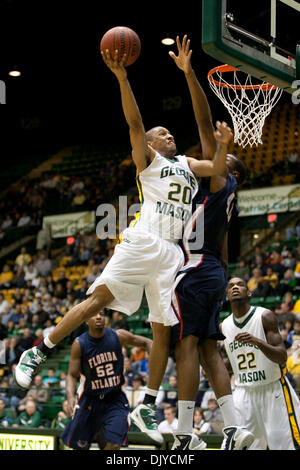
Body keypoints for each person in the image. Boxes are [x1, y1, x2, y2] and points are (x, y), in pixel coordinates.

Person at [14, 44, 230, 416]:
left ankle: (147, 403)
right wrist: (123, 78)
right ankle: (40, 349)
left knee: (163, 328)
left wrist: (223, 146)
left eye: (168, 133)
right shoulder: (147, 161)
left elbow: (217, 170)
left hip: (172, 252)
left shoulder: (188, 164)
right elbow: (134, 123)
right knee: (97, 302)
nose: (168, 135)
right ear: (149, 144)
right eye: (160, 133)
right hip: (143, 240)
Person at [131, 35, 253, 451]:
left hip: (196, 267)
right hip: (212, 269)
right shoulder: (220, 192)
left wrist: (190, 75)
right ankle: (233, 426)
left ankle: (183, 433)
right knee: (207, 349)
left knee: (186, 344)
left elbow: (203, 124)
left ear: (227, 167)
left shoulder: (219, 177)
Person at [221, 277, 300, 450]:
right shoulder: (224, 326)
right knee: (242, 446)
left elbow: (281, 357)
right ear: (226, 296)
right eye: (231, 286)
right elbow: (233, 362)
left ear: (249, 293)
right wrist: (215, 369)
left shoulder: (264, 316)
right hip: (243, 393)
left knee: (283, 446)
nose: (235, 287)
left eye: (240, 285)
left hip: (272, 389)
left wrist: (257, 342)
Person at [61, 310, 152, 450]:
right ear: (86, 320)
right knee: (80, 446)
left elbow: (148, 343)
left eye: (102, 314)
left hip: (114, 399)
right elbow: (71, 375)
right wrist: (70, 396)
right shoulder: (79, 344)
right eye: (94, 313)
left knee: (115, 444)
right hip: (89, 399)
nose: (98, 316)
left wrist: (153, 373)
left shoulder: (118, 336)